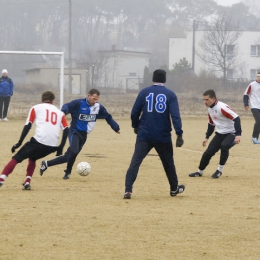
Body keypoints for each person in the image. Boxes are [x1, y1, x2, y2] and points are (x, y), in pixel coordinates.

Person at [123, 69, 185, 199]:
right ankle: (174, 189)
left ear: (153, 79)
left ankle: (128, 190)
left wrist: (135, 125)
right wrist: (179, 133)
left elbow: (134, 112)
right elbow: (175, 116)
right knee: (168, 163)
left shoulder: (144, 92)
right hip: (163, 136)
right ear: (165, 80)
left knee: (135, 162)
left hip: (145, 134)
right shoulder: (170, 94)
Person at [39, 88, 120, 180]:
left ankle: (46, 164)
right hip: (74, 131)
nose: (95, 101)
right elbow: (67, 106)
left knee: (68, 156)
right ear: (88, 96)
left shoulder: (98, 107)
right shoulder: (78, 103)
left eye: (97, 99)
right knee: (73, 152)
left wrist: (115, 127)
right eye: (94, 99)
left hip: (84, 135)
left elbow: (108, 116)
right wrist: (64, 112)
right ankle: (68, 172)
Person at [0, 91, 69, 190]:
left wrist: (19, 142)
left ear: (41, 100)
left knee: (16, 158)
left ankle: (1, 179)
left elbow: (28, 125)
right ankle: (27, 182)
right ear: (53, 101)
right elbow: (66, 129)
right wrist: (61, 147)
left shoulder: (36, 108)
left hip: (39, 141)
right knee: (32, 158)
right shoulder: (60, 113)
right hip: (52, 146)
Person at [189, 89, 242, 179]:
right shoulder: (210, 109)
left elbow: (236, 118)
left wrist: (238, 134)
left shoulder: (221, 107)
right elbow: (211, 124)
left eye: (207, 100)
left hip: (231, 133)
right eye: (204, 100)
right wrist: (207, 137)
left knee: (224, 146)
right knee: (208, 153)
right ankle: (199, 172)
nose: (205, 102)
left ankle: (219, 170)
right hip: (220, 133)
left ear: (213, 99)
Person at [243, 72, 260, 144]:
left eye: (259, 76)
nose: (258, 78)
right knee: (258, 121)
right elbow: (246, 95)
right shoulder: (252, 85)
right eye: (257, 76)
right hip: (254, 106)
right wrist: (246, 104)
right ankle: (254, 137)